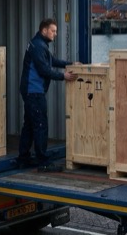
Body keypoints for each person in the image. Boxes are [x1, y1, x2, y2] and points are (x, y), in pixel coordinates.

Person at [18, 18, 78, 172]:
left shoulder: (39, 44)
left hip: (31, 91)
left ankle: (23, 158)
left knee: (30, 125)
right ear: (44, 30)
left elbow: (52, 61)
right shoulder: (38, 46)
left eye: (56, 31)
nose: (55, 34)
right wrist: (63, 76)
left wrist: (70, 64)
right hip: (34, 92)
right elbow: (44, 70)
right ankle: (43, 163)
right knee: (40, 126)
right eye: (53, 31)